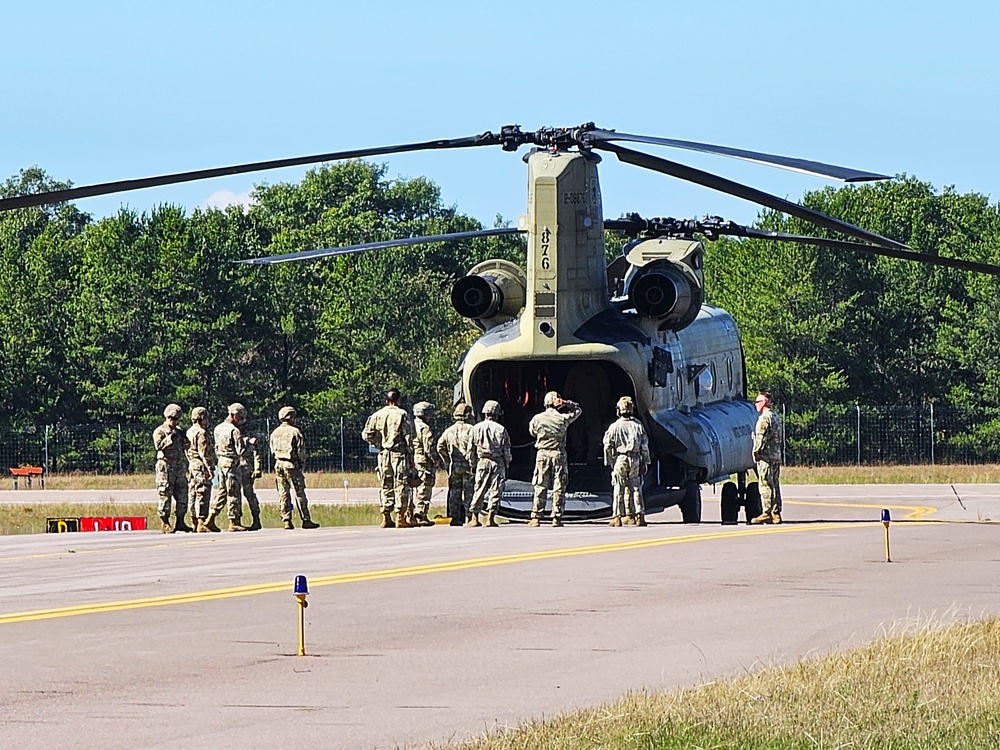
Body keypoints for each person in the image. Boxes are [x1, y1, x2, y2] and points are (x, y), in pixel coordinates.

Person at [362, 388, 416, 528]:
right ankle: (400, 516)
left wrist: (378, 444)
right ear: (398, 400)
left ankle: (386, 516)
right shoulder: (402, 414)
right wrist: (411, 455)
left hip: (384, 454)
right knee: (401, 485)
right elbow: (409, 437)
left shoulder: (377, 415)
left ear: (386, 401)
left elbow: (366, 434)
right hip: (399, 453)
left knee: (386, 484)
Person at [528, 391, 582, 527]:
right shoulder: (563, 418)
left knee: (540, 485)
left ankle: (536, 516)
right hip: (558, 453)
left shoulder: (537, 419)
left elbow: (532, 432)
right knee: (559, 486)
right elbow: (578, 410)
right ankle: (556, 517)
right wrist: (566, 403)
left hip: (542, 454)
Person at [602, 396, 651, 527]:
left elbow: (607, 445)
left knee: (618, 488)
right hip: (635, 458)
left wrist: (610, 461)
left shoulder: (614, 427)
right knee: (636, 487)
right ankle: (640, 515)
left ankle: (617, 517)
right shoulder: (638, 426)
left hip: (620, 458)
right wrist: (645, 461)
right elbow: (644, 446)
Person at [270, 406, 320, 529]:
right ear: (291, 418)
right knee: (299, 493)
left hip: (278, 464)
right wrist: (301, 464)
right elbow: (301, 451)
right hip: (291, 465)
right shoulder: (295, 432)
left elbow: (272, 450)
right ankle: (305, 519)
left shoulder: (274, 433)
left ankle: (286, 520)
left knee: (283, 493)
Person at [206, 403, 250, 532]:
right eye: (240, 418)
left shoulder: (218, 428)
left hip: (221, 462)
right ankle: (234, 521)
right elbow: (241, 450)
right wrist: (249, 444)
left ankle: (210, 518)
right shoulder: (234, 431)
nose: (242, 422)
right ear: (233, 416)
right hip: (232, 463)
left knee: (222, 491)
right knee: (234, 492)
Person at [468, 400, 511, 527]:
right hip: (497, 462)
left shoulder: (476, 428)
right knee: (495, 490)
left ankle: (474, 517)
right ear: (497, 414)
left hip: (482, 461)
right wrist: (507, 463)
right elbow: (506, 449)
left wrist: (472, 463)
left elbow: (470, 449)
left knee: (479, 488)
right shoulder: (501, 429)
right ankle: (490, 518)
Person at [153, 403, 192, 533]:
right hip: (165, 465)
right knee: (165, 494)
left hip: (178, 466)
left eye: (175, 419)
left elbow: (187, 445)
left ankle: (180, 521)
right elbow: (158, 446)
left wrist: (184, 436)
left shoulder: (179, 431)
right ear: (166, 417)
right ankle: (165, 522)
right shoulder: (160, 431)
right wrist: (170, 437)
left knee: (182, 494)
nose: (173, 421)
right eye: (171, 418)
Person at [437, 403, 475, 526]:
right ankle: (470, 517)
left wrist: (447, 460)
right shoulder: (472, 430)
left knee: (455, 492)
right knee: (469, 491)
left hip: (454, 466)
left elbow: (440, 446)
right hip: (468, 466)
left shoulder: (448, 431)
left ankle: (455, 517)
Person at [751, 391, 784, 524]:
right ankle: (776, 512)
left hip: (766, 456)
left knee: (765, 483)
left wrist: (756, 452)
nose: (755, 405)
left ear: (764, 402)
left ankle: (766, 512)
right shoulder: (775, 416)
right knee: (775, 483)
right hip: (776, 454)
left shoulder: (764, 419)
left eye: (758, 402)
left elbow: (761, 438)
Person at [186, 406, 216, 532]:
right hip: (200, 465)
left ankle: (193, 519)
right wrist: (210, 468)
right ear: (202, 418)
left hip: (192, 464)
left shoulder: (189, 432)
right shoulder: (201, 433)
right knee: (202, 492)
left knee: (192, 493)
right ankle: (201, 521)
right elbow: (204, 453)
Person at [411, 401, 439, 527]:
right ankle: (421, 515)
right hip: (423, 460)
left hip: (413, 459)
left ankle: (411, 513)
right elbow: (429, 447)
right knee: (425, 486)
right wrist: (435, 460)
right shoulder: (424, 428)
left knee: (414, 486)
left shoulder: (410, 425)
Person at [236, 427, 264, 531]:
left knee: (249, 494)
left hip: (246, 468)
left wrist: (257, 468)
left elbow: (256, 453)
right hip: (234, 467)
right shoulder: (231, 433)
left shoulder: (248, 434)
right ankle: (236, 520)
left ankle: (256, 519)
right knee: (234, 494)